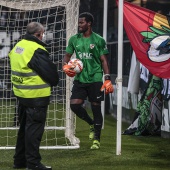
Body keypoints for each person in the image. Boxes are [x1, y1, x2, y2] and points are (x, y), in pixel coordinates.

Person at [9, 22, 59, 170]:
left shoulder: (19, 46)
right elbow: (52, 76)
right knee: (34, 131)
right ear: (39, 34)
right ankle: (33, 163)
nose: (43, 36)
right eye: (42, 34)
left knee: (24, 129)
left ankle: (19, 161)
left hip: (21, 94)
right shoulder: (36, 50)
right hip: (35, 96)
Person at [62, 12, 114, 149]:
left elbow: (104, 60)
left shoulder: (98, 40)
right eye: (79, 23)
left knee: (96, 107)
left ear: (89, 23)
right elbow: (67, 56)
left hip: (95, 78)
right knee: (74, 105)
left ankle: (96, 139)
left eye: (81, 23)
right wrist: (65, 66)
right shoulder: (74, 39)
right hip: (80, 78)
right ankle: (91, 123)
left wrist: (107, 78)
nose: (79, 25)